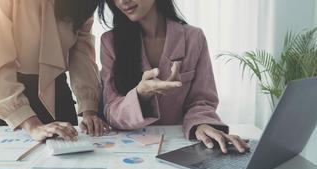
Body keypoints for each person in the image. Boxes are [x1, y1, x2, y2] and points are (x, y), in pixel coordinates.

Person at [98, 0, 249, 153]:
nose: (123, 1)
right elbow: (111, 111)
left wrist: (200, 124)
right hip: (128, 151)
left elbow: (201, 101)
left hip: (180, 148)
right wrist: (140, 94)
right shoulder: (110, 42)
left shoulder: (193, 38)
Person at [0, 0, 108, 142]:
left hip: (57, 92)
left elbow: (82, 57)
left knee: (74, 156)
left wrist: (89, 112)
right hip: (6, 98)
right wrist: (33, 126)